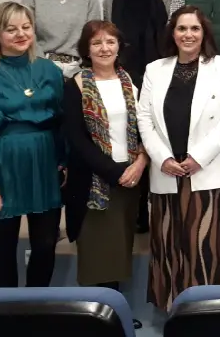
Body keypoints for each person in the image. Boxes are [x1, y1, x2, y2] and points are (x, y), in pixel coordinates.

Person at [137, 6, 220, 310]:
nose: (188, 34)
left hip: (211, 174)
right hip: (168, 173)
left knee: (211, 247)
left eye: (194, 29)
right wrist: (162, 158)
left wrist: (198, 157)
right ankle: (177, 310)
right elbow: (144, 119)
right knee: (172, 246)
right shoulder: (154, 70)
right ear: (173, 33)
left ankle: (216, 311)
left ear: (204, 33)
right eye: (182, 28)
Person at [61, 21, 147, 329]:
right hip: (94, 181)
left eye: (110, 42)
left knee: (120, 248)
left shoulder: (132, 81)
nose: (104, 48)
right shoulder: (76, 85)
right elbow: (76, 137)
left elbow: (146, 127)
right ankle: (98, 319)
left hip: (131, 178)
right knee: (97, 252)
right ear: (86, 49)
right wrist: (113, 171)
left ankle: (116, 314)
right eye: (96, 43)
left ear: (118, 47)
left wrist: (138, 165)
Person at [0, 2, 65, 288]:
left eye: (26, 27)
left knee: (45, 244)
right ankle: (7, 314)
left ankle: (36, 305)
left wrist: (62, 160)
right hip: (3, 166)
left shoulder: (49, 70)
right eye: (11, 29)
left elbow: (61, 120)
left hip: (44, 163)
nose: (21, 34)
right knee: (4, 247)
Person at [102, 0, 175, 234]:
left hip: (160, 76)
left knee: (161, 139)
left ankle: (159, 209)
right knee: (132, 140)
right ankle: (136, 211)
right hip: (124, 80)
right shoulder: (109, 3)